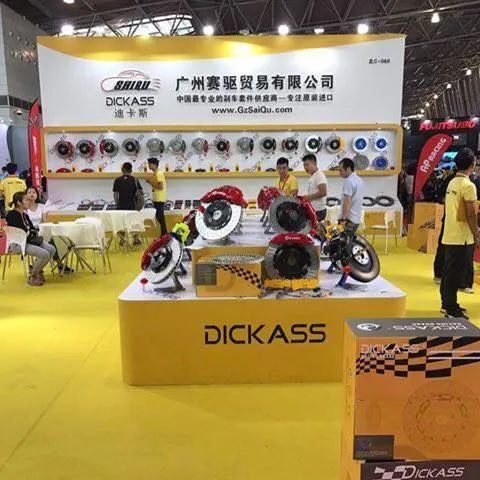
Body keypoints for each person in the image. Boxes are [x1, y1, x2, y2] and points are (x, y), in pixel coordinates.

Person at [440, 148, 479, 319]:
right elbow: (471, 213)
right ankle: (451, 307)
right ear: (472, 165)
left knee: (449, 271)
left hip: (450, 232)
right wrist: (476, 232)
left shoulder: (452, 182)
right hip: (462, 236)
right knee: (455, 273)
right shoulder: (468, 186)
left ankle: (446, 303)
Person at [6, 191, 56, 286]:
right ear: (19, 203)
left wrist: (31, 232)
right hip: (18, 244)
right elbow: (21, 231)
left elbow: (31, 228)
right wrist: (30, 232)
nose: (29, 202)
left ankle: (37, 269)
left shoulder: (25, 215)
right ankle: (33, 276)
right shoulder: (11, 215)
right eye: (26, 200)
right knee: (44, 254)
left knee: (52, 249)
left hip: (30, 240)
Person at [113, 162, 144, 246]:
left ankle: (122, 240)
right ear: (131, 170)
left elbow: (115, 194)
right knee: (134, 222)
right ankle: (136, 239)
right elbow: (141, 192)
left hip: (121, 206)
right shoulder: (135, 180)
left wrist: (117, 204)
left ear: (122, 170)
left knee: (121, 223)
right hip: (133, 205)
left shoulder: (117, 180)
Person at [338, 157, 364, 234]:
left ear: (348, 169)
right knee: (350, 240)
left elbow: (347, 201)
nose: (340, 173)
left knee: (341, 241)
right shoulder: (359, 180)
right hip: (356, 219)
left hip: (348, 220)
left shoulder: (348, 181)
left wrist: (343, 219)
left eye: (341, 170)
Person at [302, 153, 328, 221]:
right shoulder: (314, 175)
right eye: (304, 165)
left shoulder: (319, 175)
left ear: (314, 163)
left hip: (318, 211)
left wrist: (308, 197)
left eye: (307, 165)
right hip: (314, 210)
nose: (305, 168)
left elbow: (323, 192)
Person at [146, 157, 167, 236]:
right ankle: (164, 233)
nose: (149, 166)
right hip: (157, 198)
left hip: (159, 199)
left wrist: (150, 182)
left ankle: (164, 234)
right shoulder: (156, 173)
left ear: (154, 165)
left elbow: (160, 187)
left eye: (150, 164)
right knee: (159, 217)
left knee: (160, 217)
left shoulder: (159, 174)